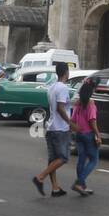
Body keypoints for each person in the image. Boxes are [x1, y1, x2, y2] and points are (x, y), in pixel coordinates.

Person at [32, 63, 73, 198]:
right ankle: (40, 177)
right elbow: (60, 108)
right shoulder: (63, 88)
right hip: (60, 128)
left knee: (53, 159)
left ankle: (55, 188)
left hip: (51, 127)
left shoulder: (52, 87)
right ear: (66, 72)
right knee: (63, 158)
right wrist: (70, 122)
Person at [70, 78, 101, 196]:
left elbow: (72, 120)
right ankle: (79, 183)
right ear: (92, 90)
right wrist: (98, 135)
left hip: (79, 134)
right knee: (94, 160)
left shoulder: (78, 103)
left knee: (81, 160)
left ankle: (82, 185)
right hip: (88, 135)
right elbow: (92, 121)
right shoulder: (91, 103)